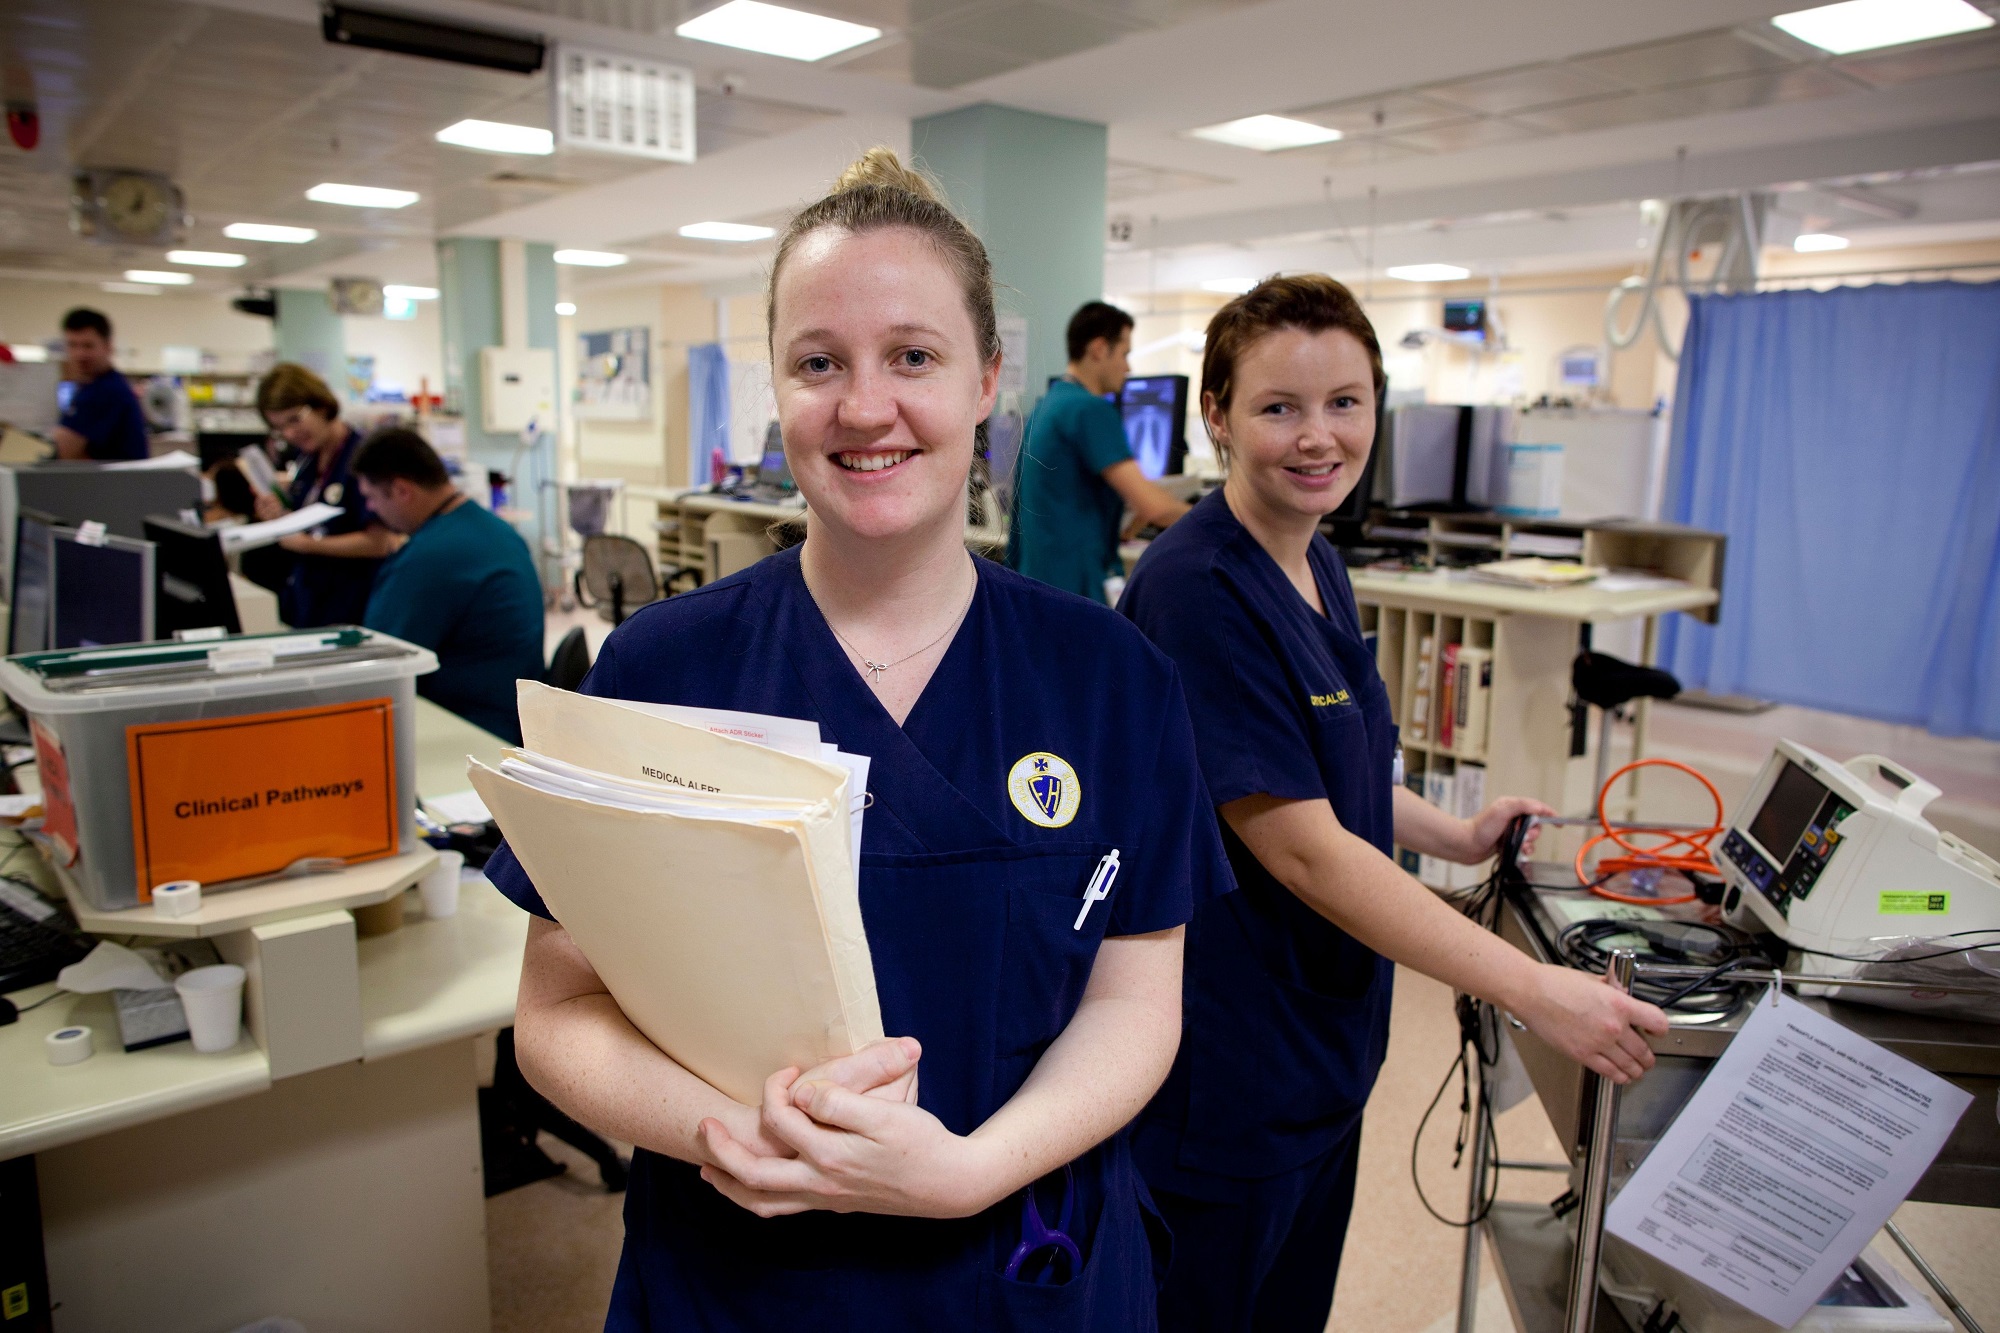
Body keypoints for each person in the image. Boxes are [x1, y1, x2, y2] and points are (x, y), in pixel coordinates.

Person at [481, 148, 1230, 1330]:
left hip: (1023, 1263)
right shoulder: (658, 670)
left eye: (913, 357)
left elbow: (1136, 1003)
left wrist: (969, 1170)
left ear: (987, 380)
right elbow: (557, 1015)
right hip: (740, 1273)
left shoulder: (1111, 678)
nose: (864, 406)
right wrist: (736, 1139)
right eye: (817, 362)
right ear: (775, 391)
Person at [1119, 275, 1671, 1333]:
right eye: (1278, 407)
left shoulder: (1316, 560)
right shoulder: (1198, 591)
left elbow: (1337, 765)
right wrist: (1533, 989)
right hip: (1230, 1068)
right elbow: (1306, 852)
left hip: (1320, 1050)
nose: (1316, 436)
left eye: (1344, 402)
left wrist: (1451, 832)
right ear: (1217, 416)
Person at [354, 427, 544, 744]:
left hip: (471, 727)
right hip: (515, 713)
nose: (370, 509)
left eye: (371, 497)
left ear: (402, 490)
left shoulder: (429, 557)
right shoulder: (495, 530)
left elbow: (378, 665)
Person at [1009, 301, 1190, 603]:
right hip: (1075, 592)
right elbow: (1155, 508)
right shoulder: (1089, 410)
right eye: (1124, 353)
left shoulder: (1046, 406)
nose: (1128, 367)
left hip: (1037, 586)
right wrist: (1220, 522)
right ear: (1098, 349)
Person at [252, 363, 395, 626]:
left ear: (321, 406)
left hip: (353, 607)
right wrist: (280, 517)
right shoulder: (307, 460)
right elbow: (312, 522)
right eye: (280, 428)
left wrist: (308, 545)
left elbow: (381, 542)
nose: (290, 433)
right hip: (310, 603)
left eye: (295, 419)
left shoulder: (363, 457)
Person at [51, 308, 148, 461]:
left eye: (88, 346)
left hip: (115, 483)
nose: (80, 354)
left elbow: (65, 450)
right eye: (72, 345)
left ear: (107, 346)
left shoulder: (106, 391)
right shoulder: (90, 387)